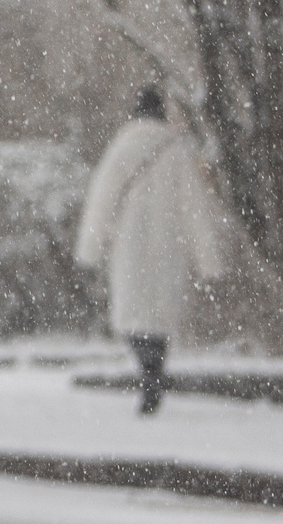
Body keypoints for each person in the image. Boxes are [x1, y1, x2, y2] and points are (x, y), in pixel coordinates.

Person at [74, 87, 226, 415]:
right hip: (168, 248)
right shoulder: (179, 152)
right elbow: (195, 210)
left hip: (128, 248)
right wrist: (209, 261)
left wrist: (89, 252)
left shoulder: (121, 148)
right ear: (161, 114)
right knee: (160, 316)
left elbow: (101, 203)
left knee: (133, 315)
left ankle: (147, 373)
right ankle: (154, 373)